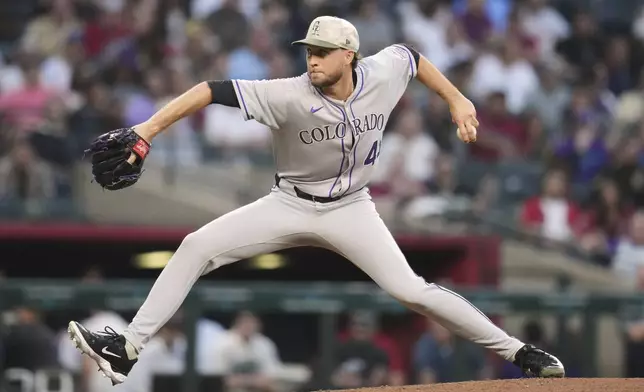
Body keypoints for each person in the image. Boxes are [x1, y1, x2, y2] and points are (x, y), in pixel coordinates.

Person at [67, 16, 565, 385]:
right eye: (309, 49)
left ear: (349, 55)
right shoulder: (287, 93)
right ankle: (128, 348)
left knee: (412, 290)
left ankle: (520, 353)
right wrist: (147, 130)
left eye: (323, 51)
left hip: (352, 206)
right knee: (196, 246)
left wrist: (455, 98)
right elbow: (208, 89)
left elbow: (413, 58)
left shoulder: (382, 73)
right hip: (289, 202)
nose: (312, 58)